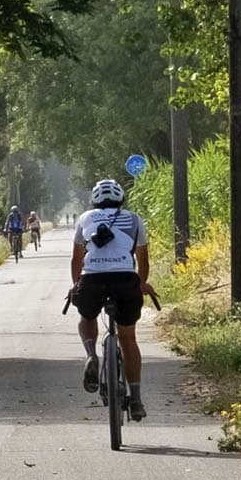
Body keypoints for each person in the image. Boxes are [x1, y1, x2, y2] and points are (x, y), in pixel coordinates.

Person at [69, 179, 153, 420]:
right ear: (121, 200)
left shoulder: (85, 219)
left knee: (86, 317)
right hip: (125, 280)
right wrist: (141, 283)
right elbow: (143, 259)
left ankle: (90, 354)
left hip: (92, 280)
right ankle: (136, 399)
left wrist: (76, 285)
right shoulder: (135, 219)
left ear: (94, 201)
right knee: (128, 338)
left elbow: (76, 259)